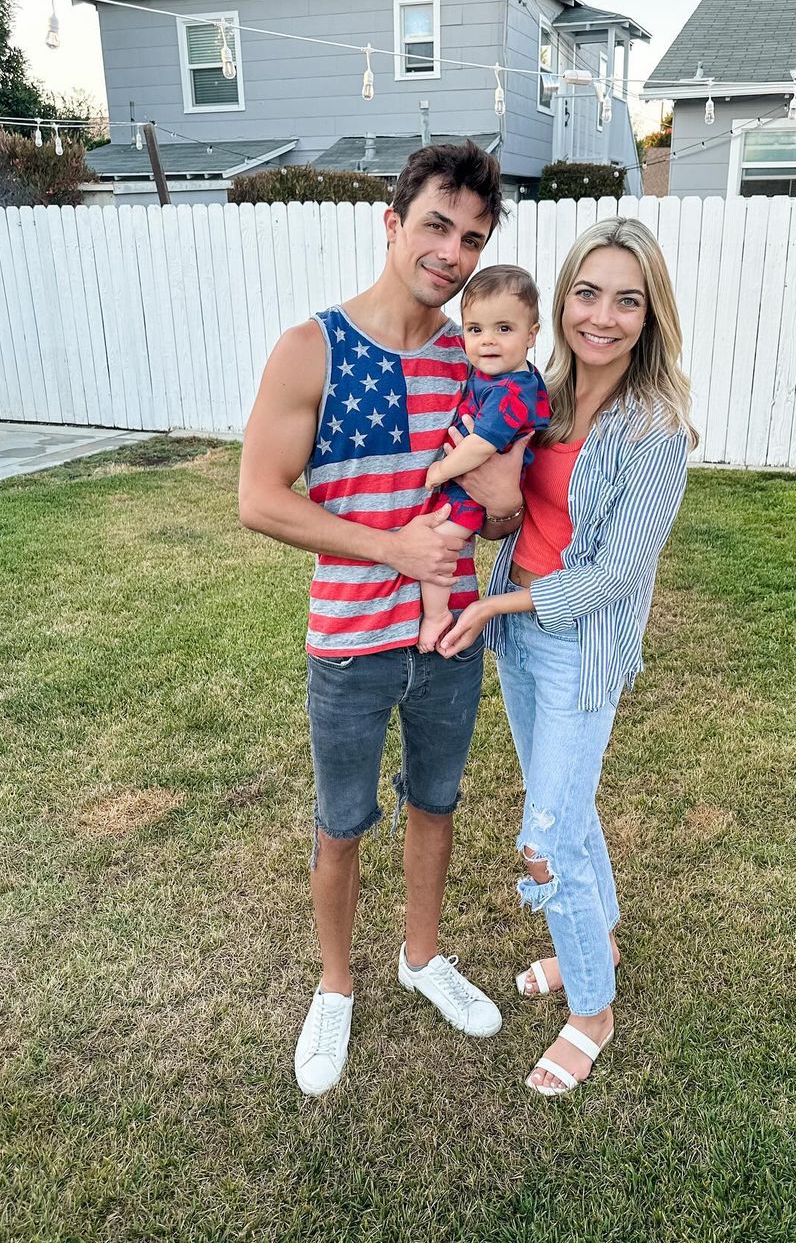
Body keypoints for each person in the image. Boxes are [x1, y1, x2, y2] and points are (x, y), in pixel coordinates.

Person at [238, 142, 528, 1097]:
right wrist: (394, 549)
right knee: (342, 823)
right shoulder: (312, 347)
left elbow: (500, 502)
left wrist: (500, 510)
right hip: (349, 641)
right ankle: (335, 986)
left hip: (449, 638)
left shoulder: (473, 354)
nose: (452, 253)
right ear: (393, 223)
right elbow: (260, 499)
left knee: (435, 805)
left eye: (473, 239)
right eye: (437, 226)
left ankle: (422, 956)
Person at [439, 217, 699, 1095]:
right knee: (570, 810)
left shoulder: (655, 431)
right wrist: (493, 514)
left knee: (546, 842)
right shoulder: (538, 396)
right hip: (519, 639)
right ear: (561, 301)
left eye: (628, 300)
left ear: (650, 315)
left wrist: (492, 604)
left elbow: (618, 573)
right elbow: (516, 515)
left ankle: (592, 1010)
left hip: (576, 650)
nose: (602, 316)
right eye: (588, 294)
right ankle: (600, 942)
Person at [417, 265, 550, 653]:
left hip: (474, 489)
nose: (487, 340)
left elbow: (480, 446)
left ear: (531, 335)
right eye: (475, 329)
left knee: (438, 546)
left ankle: (435, 616)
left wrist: (440, 470)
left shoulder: (510, 391)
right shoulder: (500, 373)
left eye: (504, 329)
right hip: (473, 478)